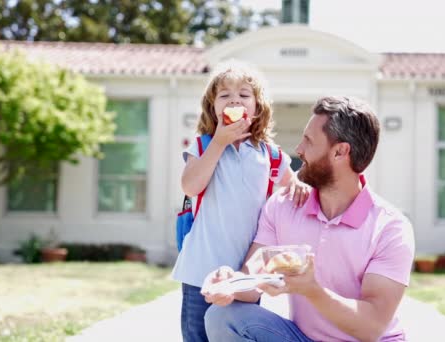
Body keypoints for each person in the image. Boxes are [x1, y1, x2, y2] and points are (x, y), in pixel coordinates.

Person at [202, 96, 415, 342]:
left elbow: (371, 328)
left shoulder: (390, 228)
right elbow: (253, 277)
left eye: (308, 141)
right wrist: (231, 282)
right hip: (305, 338)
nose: (299, 150)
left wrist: (311, 291)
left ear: (340, 152)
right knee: (222, 316)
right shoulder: (283, 206)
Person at [171, 61, 310, 342]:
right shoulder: (202, 146)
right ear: (213, 107)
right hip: (201, 271)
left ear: (257, 108)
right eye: (225, 96)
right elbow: (190, 185)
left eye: (244, 95)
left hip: (244, 278)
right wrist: (219, 141)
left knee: (235, 334)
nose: (234, 99)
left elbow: (296, 190)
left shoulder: (271, 156)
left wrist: (301, 187)